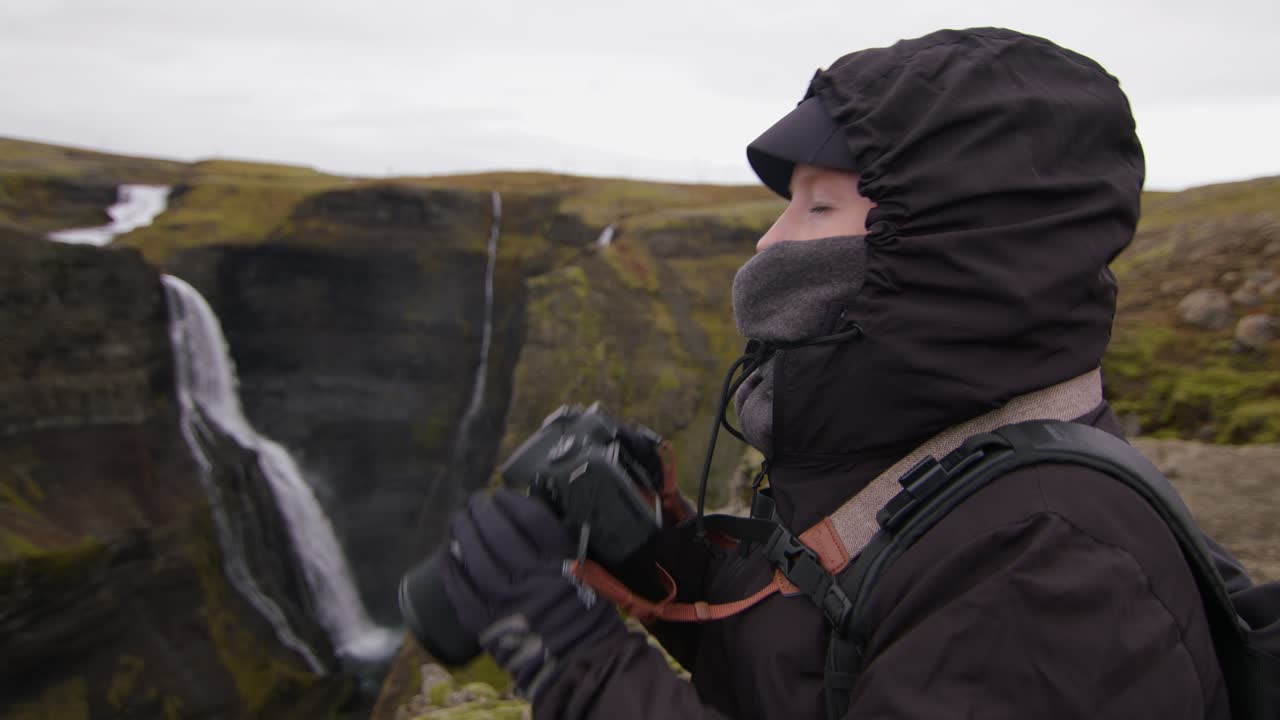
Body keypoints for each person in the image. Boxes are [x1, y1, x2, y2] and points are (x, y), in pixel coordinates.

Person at [433, 27, 1235, 719]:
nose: (768, 244)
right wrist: (656, 553)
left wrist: (569, 654)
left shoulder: (1043, 568)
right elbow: (824, 653)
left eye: (818, 210)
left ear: (950, 251)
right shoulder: (944, 443)